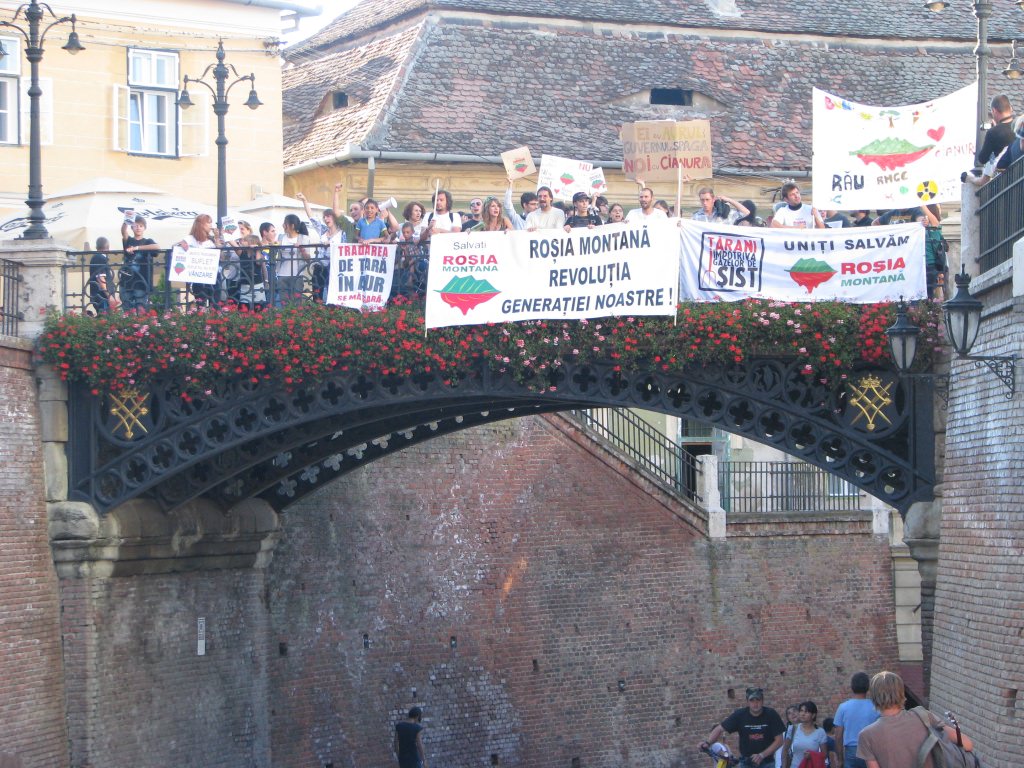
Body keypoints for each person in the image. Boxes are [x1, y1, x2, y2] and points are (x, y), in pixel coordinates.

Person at [856, 671, 973, 768]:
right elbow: (967, 744)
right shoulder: (923, 716)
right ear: (901, 693)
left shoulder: (866, 736)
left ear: (874, 697)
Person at [701, 687, 785, 766]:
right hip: (747, 762)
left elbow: (779, 740)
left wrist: (762, 755)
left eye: (758, 700)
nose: (755, 703)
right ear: (747, 702)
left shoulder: (771, 714)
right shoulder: (740, 715)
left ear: (762, 701)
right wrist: (707, 743)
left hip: (767, 761)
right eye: (752, 700)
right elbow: (719, 728)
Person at [833, 672, 878, 768]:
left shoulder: (843, 708)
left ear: (852, 687)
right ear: (867, 687)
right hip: (871, 750)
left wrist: (840, 759)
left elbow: (838, 736)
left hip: (851, 751)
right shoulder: (876, 707)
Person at [177, 213, 222, 306]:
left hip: (214, 274)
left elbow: (221, 256)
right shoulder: (190, 238)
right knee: (201, 304)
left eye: (211, 223)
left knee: (215, 304)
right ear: (201, 225)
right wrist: (186, 248)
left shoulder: (211, 239)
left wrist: (217, 238)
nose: (211, 226)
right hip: (199, 275)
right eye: (208, 223)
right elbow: (177, 246)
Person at [120, 214, 160, 312]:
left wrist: (137, 248)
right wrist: (127, 220)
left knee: (140, 309)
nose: (138, 228)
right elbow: (123, 232)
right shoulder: (129, 240)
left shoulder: (148, 241)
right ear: (132, 227)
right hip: (127, 280)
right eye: (136, 225)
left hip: (142, 281)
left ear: (144, 228)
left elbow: (157, 247)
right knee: (126, 309)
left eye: (141, 226)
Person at [974, 94, 1015, 171]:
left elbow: (982, 159)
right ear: (1010, 108)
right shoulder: (1019, 125)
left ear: (994, 110)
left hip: (1003, 177)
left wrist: (994, 129)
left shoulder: (993, 132)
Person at [782, 701, 826, 768]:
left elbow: (824, 755)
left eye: (806, 712)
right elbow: (785, 751)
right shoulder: (793, 729)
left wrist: (812, 755)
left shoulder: (820, 732)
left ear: (813, 715)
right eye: (801, 711)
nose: (803, 714)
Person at [87, 237, 118, 314]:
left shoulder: (96, 257)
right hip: (102, 296)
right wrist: (109, 295)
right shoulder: (100, 258)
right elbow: (101, 279)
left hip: (99, 296)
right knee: (105, 320)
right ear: (107, 247)